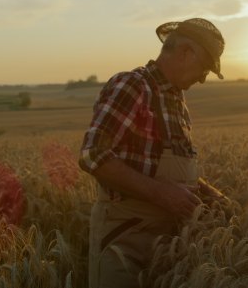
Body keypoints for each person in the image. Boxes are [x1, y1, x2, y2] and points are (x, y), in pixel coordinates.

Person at [79, 18, 228, 288]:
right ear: (186, 53)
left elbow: (158, 164)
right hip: (124, 237)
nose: (202, 79)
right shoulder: (132, 85)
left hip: (168, 242)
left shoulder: (177, 101)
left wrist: (204, 190)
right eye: (204, 69)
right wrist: (162, 194)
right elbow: (93, 155)